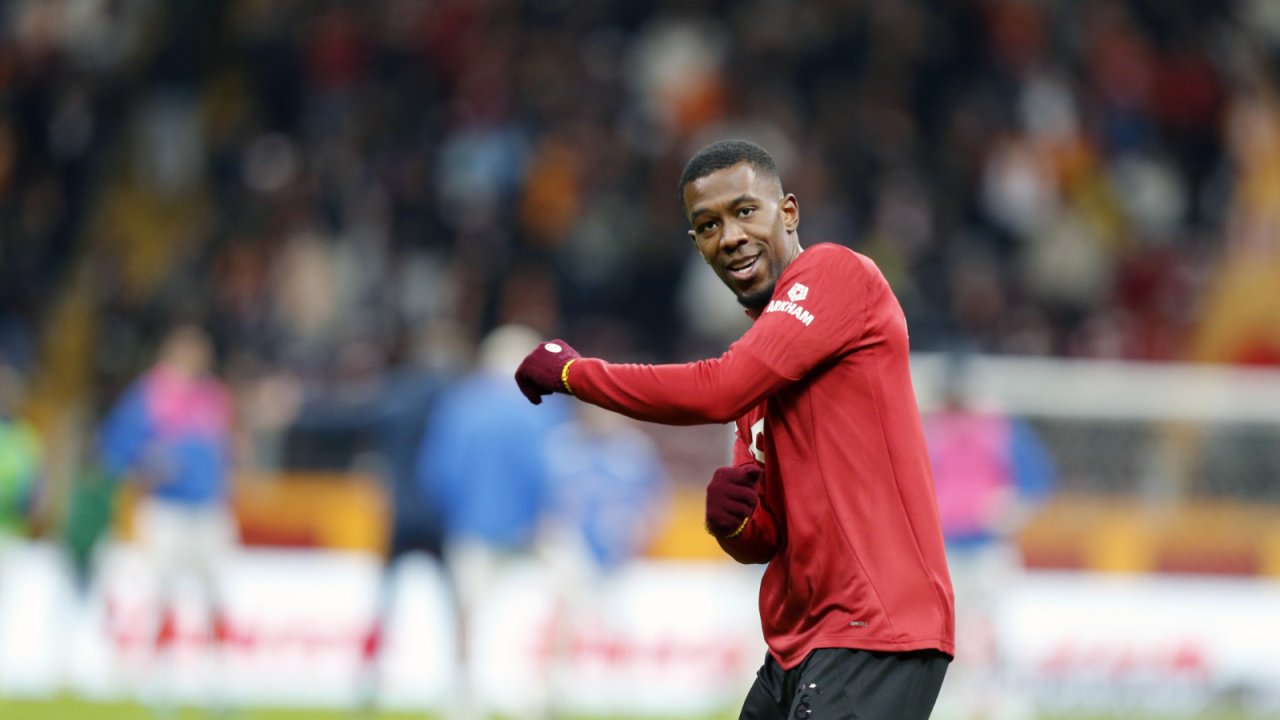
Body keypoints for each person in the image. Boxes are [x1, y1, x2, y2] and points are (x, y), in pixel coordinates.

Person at [515, 139, 955, 719]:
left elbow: (717, 390)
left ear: (788, 212)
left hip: (874, 628)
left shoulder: (837, 274)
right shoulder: (760, 364)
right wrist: (734, 523)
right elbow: (763, 539)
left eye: (745, 211)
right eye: (708, 225)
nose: (730, 236)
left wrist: (575, 374)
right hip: (800, 641)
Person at [418, 323, 571, 719]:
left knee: (468, 611)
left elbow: (438, 471)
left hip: (470, 523)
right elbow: (552, 470)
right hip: (531, 526)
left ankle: (463, 697)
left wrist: (456, 513)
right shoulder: (544, 406)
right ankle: (540, 691)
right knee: (558, 598)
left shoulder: (459, 403)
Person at [96, 323, 237, 714]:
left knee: (215, 599)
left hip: (208, 510)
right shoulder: (150, 395)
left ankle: (220, 687)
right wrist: (144, 464)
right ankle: (158, 685)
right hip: (167, 511)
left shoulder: (212, 396)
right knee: (163, 597)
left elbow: (221, 451)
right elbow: (113, 445)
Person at [923, 355, 1055, 720]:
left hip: (987, 547)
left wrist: (1012, 508)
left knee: (995, 627)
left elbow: (1037, 480)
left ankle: (1004, 700)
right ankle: (950, 701)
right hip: (943, 548)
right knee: (944, 629)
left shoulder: (998, 428)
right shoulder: (930, 429)